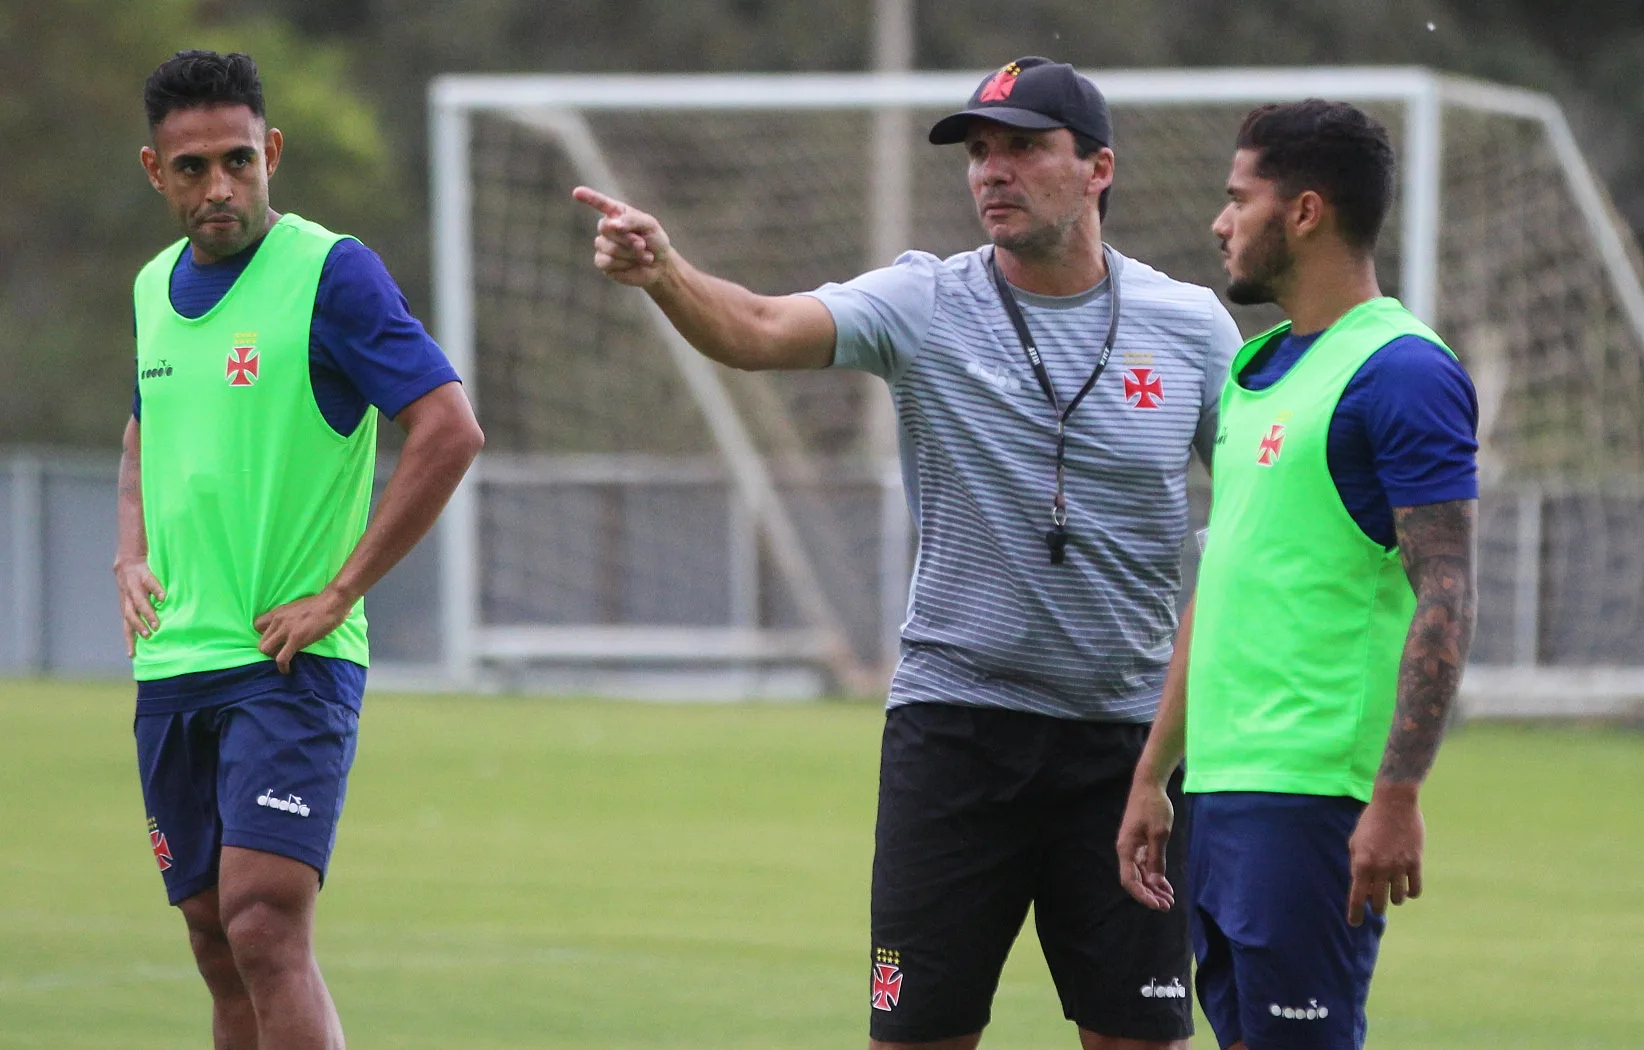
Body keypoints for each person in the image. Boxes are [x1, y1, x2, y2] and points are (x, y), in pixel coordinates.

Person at [577, 57, 1241, 1050]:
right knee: (916, 1036)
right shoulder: (923, 302)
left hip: (1125, 751)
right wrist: (665, 272)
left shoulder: (1190, 328)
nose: (993, 172)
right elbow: (758, 328)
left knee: (1140, 1041)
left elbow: (1247, 532)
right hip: (956, 737)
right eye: (979, 152)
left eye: (1024, 147)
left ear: (1098, 167)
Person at [118, 50, 483, 1049]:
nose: (219, 187)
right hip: (175, 661)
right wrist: (128, 554)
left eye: (239, 160)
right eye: (192, 169)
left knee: (264, 920)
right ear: (157, 172)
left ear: (272, 151)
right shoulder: (152, 287)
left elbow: (449, 428)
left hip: (288, 661)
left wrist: (340, 592)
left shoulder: (331, 273)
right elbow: (144, 424)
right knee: (214, 940)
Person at [1116, 100, 1480, 1050]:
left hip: (1313, 793)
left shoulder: (1401, 371)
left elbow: (1446, 590)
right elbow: (1223, 580)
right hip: (1221, 791)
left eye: (1240, 199)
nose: (1220, 222)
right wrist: (1155, 773)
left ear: (1306, 212)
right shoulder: (1255, 371)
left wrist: (1395, 796)